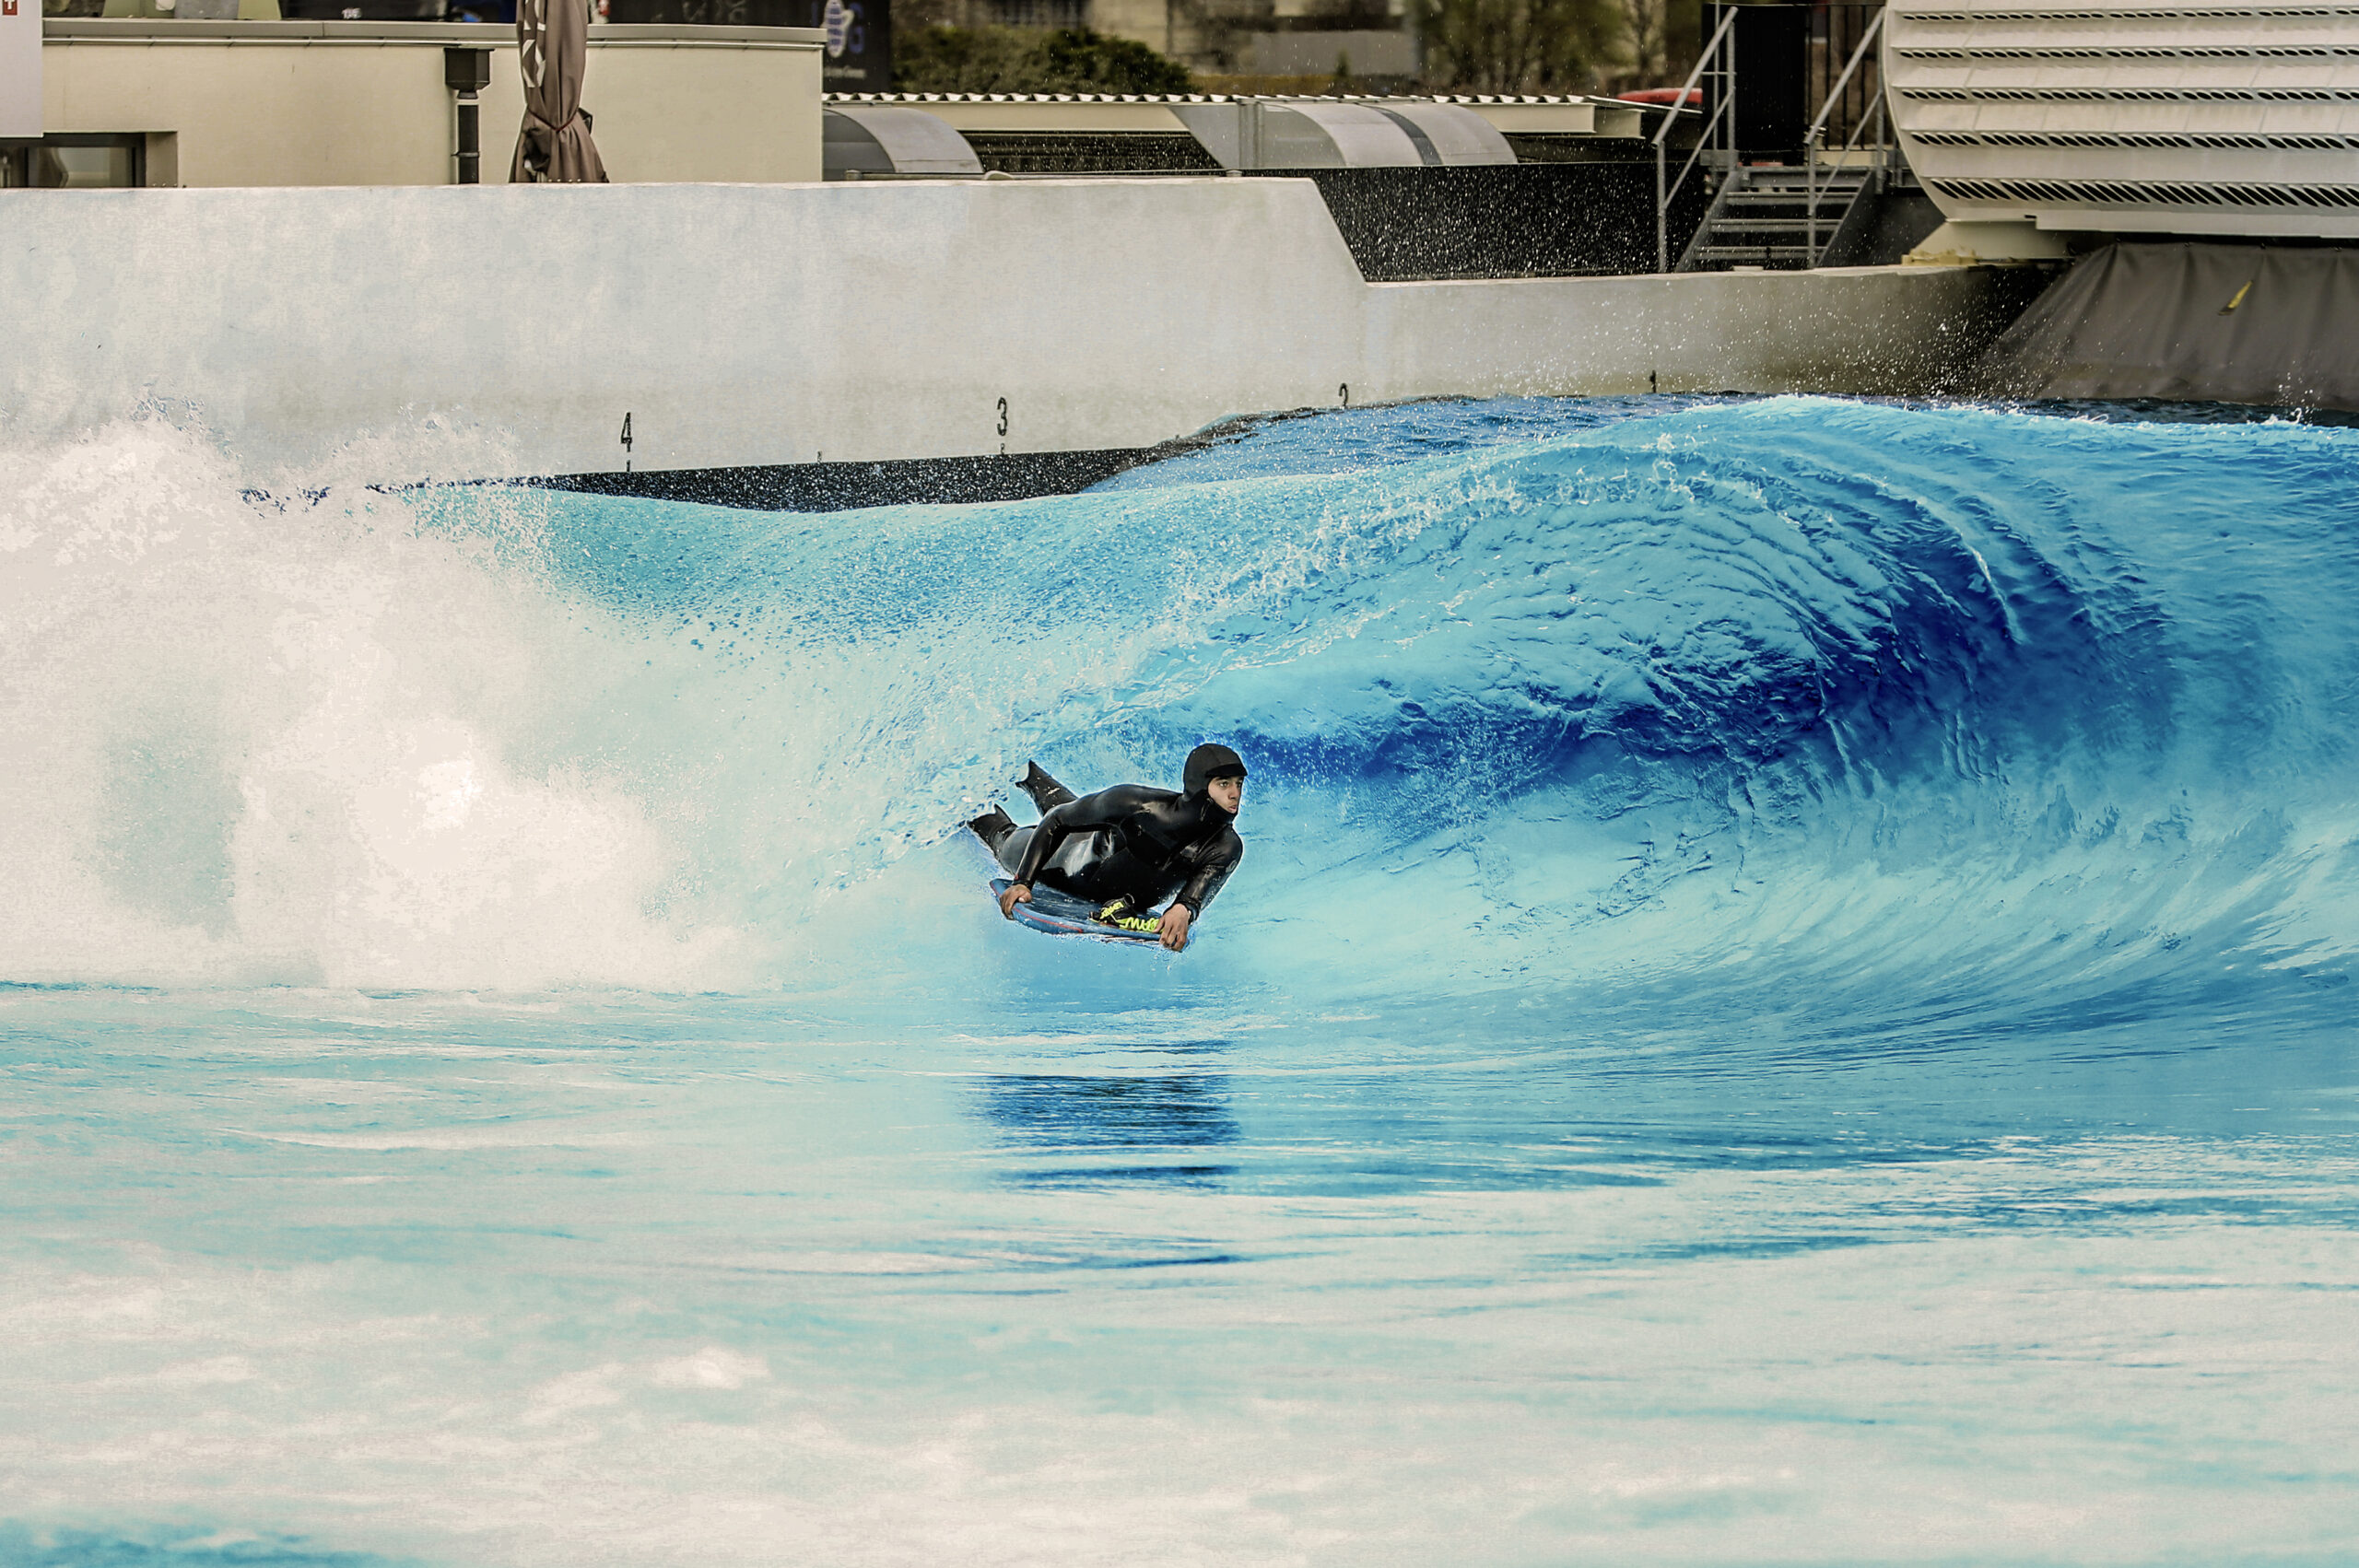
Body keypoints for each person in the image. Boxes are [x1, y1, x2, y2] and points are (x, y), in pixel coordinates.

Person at [968, 743, 1248, 953]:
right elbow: (1057, 822)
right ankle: (965, 792)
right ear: (1200, 787)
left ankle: (1021, 767)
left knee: (1067, 805)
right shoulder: (1139, 805)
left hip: (1103, 855)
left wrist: (1182, 912)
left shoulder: (1226, 847)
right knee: (1007, 840)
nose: (1234, 793)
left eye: (1238, 783)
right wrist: (1023, 881)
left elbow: (1191, 899)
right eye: (1223, 784)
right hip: (1066, 863)